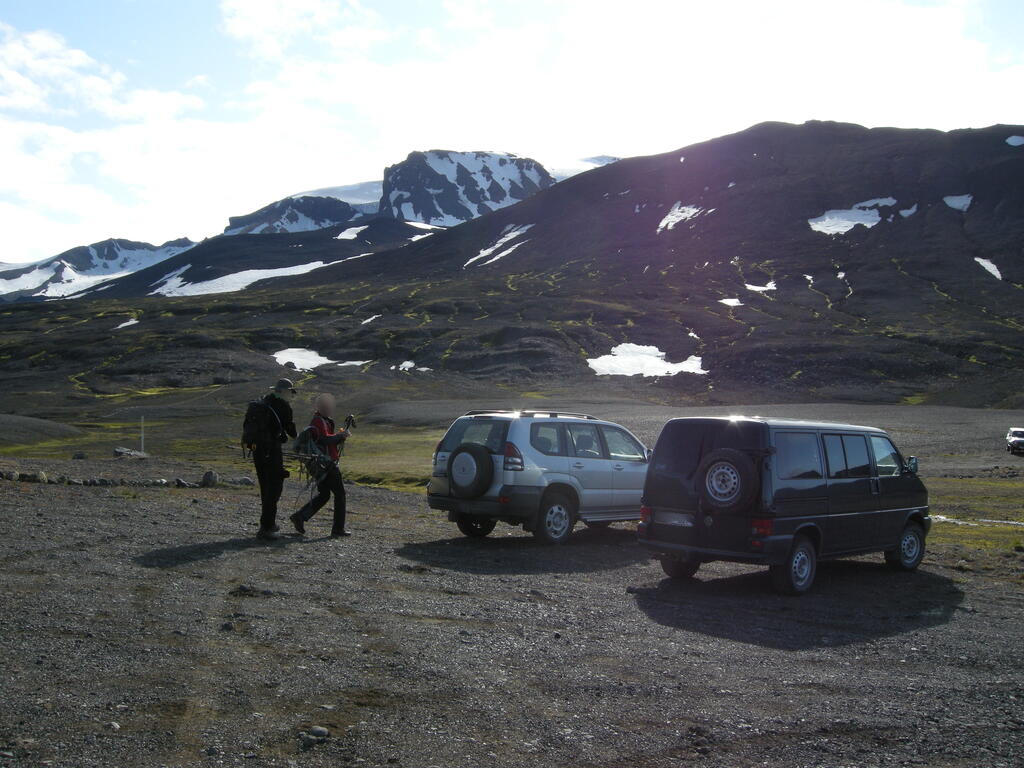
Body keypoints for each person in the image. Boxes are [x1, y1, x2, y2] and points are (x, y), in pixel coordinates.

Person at [290, 393, 351, 538]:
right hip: (326, 464)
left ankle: (300, 517)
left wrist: (339, 438)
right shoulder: (318, 421)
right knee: (340, 494)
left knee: (324, 495)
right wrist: (340, 436)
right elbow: (324, 440)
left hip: (321, 464)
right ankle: (337, 529)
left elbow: (325, 440)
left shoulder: (324, 421)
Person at [251, 378, 298, 540]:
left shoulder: (263, 402)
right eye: (290, 392)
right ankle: (267, 526)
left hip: (256, 450)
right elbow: (291, 430)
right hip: (272, 450)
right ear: (284, 392)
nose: (291, 395)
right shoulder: (283, 406)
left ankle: (267, 524)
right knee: (275, 487)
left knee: (265, 486)